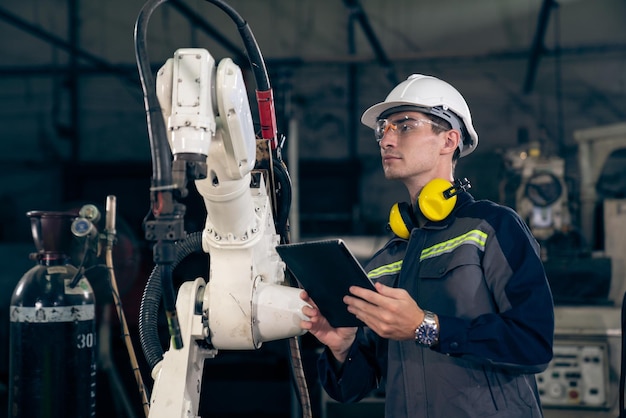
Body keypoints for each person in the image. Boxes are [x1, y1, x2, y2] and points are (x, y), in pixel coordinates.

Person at [300, 74, 554, 418]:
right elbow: (353, 389)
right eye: (382, 130)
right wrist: (343, 347)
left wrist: (426, 326)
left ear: (449, 140)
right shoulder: (387, 258)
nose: (386, 140)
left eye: (404, 126)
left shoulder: (492, 227)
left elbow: (534, 344)